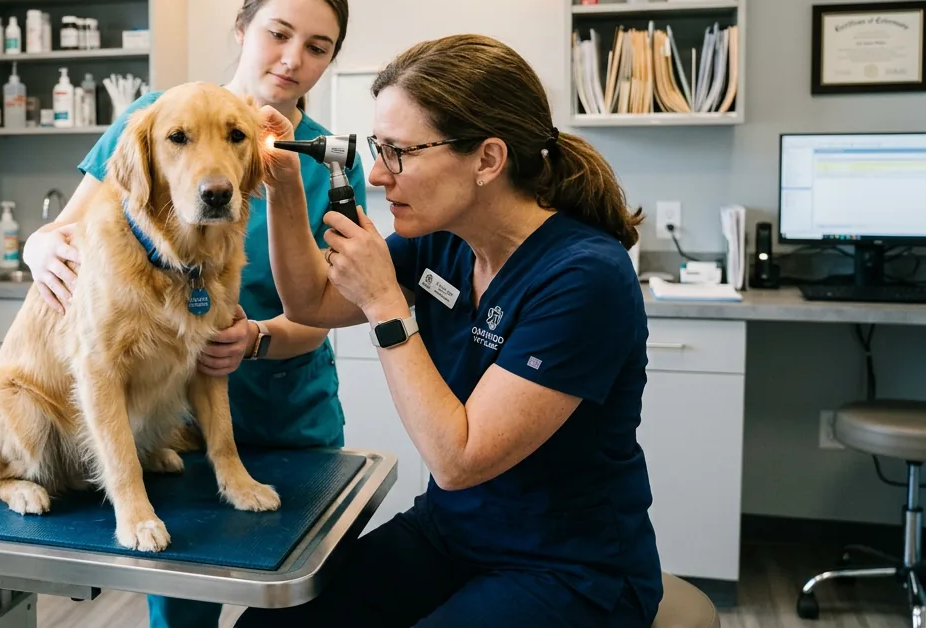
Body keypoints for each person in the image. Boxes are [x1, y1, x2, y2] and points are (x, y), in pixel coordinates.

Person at [237, 34, 663, 627]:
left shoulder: (584, 276)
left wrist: (386, 302)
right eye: (379, 149)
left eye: (399, 153)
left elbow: (457, 459)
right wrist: (284, 184)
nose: (378, 175)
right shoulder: (442, 241)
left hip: (568, 566)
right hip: (453, 534)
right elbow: (311, 302)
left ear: (487, 160)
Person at [19, 0, 367, 628]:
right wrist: (37, 246)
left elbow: (332, 309)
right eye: (278, 33)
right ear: (242, 28)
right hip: (169, 428)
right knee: (182, 614)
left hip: (291, 419)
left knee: (301, 611)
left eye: (317, 46)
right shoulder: (156, 119)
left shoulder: (325, 161)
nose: (292, 59)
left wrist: (256, 338)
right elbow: (71, 232)